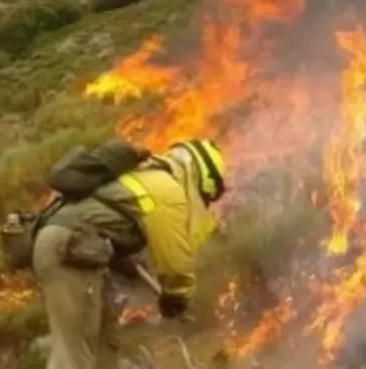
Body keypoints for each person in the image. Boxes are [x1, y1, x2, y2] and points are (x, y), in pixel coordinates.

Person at [32, 138, 227, 369]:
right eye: (207, 197)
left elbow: (107, 222)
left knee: (104, 350)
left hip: (78, 251)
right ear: (204, 179)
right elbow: (173, 255)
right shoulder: (167, 188)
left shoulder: (146, 177)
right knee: (76, 354)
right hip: (70, 250)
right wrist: (177, 294)